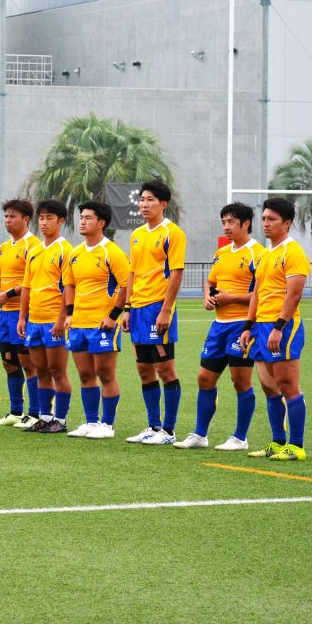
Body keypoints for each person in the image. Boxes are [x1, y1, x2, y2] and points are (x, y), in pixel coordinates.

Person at [175, 203, 266, 450]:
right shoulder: (222, 253)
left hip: (243, 326)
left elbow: (264, 294)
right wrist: (207, 296)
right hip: (218, 326)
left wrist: (233, 298)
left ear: (245, 224)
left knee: (240, 381)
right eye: (223, 222)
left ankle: (240, 438)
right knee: (204, 378)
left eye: (231, 222)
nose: (226, 227)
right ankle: (200, 435)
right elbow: (211, 281)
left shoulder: (258, 253)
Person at [238, 198, 310, 461]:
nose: (265, 224)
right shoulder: (265, 254)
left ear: (287, 223)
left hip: (283, 326)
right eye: (264, 219)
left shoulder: (293, 252)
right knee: (269, 387)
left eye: (272, 219)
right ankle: (278, 442)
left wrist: (279, 328)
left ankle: (297, 446)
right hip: (260, 326)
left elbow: (295, 294)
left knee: (288, 385)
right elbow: (257, 292)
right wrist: (248, 326)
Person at [121, 181, 187, 446]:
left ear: (163, 204)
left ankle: (169, 431)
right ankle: (153, 425)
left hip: (158, 309)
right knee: (144, 369)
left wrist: (166, 310)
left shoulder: (173, 233)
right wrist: (127, 309)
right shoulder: (137, 234)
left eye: (150, 200)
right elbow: (132, 273)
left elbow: (177, 272)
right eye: (142, 200)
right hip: (137, 310)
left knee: (165, 369)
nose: (144, 205)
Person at [63, 202, 130, 439]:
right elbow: (69, 284)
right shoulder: (75, 253)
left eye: (88, 218)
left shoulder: (112, 252)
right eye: (81, 217)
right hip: (79, 324)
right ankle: (91, 422)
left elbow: (126, 285)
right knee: (85, 375)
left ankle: (107, 425)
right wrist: (69, 314)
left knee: (105, 374)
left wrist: (113, 316)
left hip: (102, 325)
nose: (82, 221)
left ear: (101, 223)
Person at [16, 200, 73, 433]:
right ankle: (45, 416)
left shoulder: (65, 250)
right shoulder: (35, 250)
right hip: (34, 321)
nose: (44, 222)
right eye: (41, 218)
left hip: (53, 321)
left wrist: (61, 319)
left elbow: (69, 287)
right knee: (40, 371)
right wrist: (22, 318)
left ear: (60, 221)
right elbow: (27, 287)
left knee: (58, 370)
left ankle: (61, 419)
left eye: (50, 218)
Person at [0, 199, 42, 428]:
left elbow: (34, 281)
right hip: (5, 315)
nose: (8, 221)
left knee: (30, 365)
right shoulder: (4, 247)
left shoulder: (34, 245)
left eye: (12, 217)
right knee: (9, 363)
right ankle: (16, 412)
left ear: (26, 219)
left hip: (24, 313)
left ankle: (35, 413)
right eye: (6, 216)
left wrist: (7, 294)